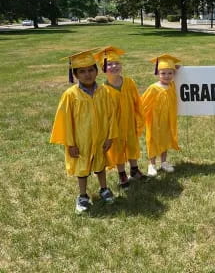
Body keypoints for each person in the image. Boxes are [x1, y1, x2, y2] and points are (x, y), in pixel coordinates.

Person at [50, 49, 118, 214]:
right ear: (75, 75)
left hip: (101, 138)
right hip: (81, 140)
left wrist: (110, 137)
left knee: (100, 164)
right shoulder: (70, 95)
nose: (87, 74)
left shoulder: (105, 92)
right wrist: (70, 143)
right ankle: (82, 196)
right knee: (82, 168)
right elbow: (65, 121)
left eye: (90, 70)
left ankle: (104, 189)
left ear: (96, 71)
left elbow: (111, 116)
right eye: (82, 71)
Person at [93, 46, 146, 190]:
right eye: (109, 64)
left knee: (132, 145)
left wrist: (139, 118)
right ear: (103, 68)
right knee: (117, 149)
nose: (114, 66)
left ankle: (134, 169)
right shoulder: (102, 90)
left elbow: (137, 102)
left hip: (129, 121)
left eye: (117, 63)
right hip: (114, 126)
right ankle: (122, 173)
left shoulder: (129, 82)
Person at [142, 54, 181, 176]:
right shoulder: (153, 88)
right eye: (163, 73)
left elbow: (177, 70)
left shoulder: (171, 86)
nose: (167, 76)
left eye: (170, 73)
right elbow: (143, 104)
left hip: (166, 120)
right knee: (153, 141)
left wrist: (177, 68)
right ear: (158, 73)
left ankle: (163, 162)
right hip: (154, 121)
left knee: (165, 140)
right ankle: (152, 165)